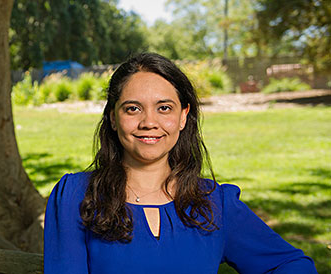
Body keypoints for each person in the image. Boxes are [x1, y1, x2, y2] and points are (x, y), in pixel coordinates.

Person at [44, 53, 316, 273]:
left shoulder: (215, 203)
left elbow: (291, 265)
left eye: (164, 108)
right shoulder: (76, 196)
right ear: (113, 117)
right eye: (132, 108)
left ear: (183, 116)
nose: (149, 122)